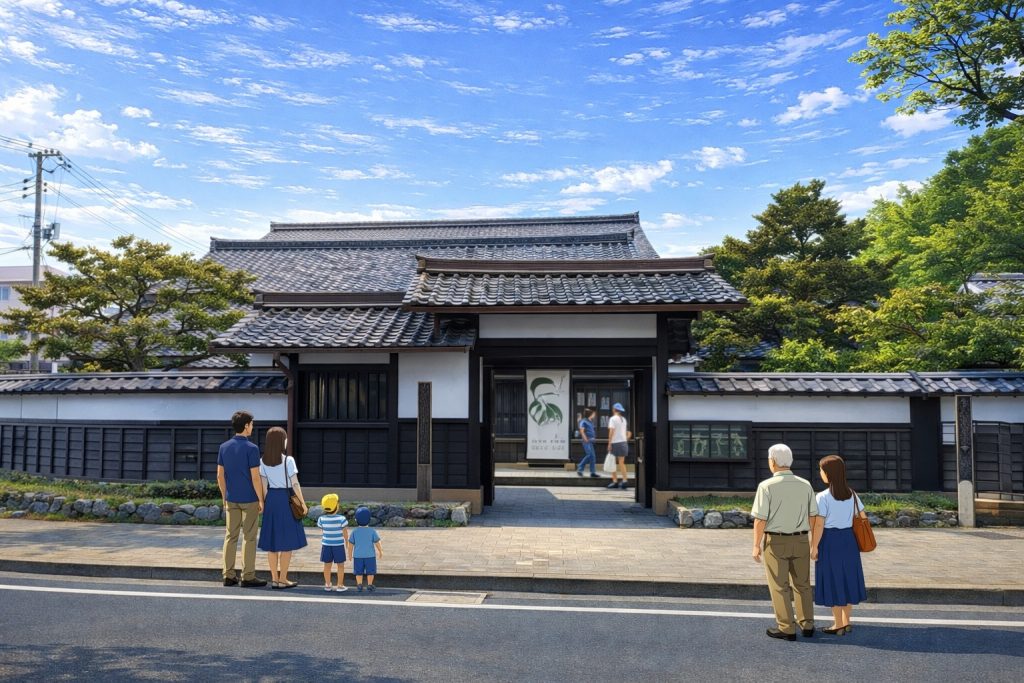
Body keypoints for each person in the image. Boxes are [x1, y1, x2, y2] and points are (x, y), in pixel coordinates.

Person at [751, 443, 819, 641]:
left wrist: (756, 545)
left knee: (779, 586)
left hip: (776, 541)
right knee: (803, 584)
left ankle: (786, 627)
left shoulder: (766, 486)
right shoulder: (805, 484)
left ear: (772, 462)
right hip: (801, 539)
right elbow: (813, 516)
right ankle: (807, 624)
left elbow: (760, 519)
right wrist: (814, 542)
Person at [810, 455, 868, 635]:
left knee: (833, 579)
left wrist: (814, 546)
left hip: (829, 540)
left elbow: (819, 524)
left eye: (821, 470)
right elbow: (863, 517)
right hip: (848, 539)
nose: (820, 473)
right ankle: (847, 621)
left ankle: (837, 624)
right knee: (847, 578)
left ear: (828, 473)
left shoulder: (823, 497)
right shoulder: (852, 494)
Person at [216, 410, 267, 588]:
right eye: (252, 424)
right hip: (250, 499)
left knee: (230, 536)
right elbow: (255, 477)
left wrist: (224, 497)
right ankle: (248, 576)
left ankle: (228, 575)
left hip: (231, 499)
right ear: (246, 426)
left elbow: (220, 476)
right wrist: (261, 499)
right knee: (249, 537)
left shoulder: (224, 447)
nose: (252, 427)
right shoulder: (252, 449)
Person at [257, 426, 308, 589]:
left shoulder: (262, 461)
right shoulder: (288, 460)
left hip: (271, 499)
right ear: (281, 441)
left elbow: (264, 484)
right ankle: (283, 579)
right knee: (286, 543)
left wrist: (264, 503)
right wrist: (303, 502)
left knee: (272, 544)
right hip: (286, 499)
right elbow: (295, 483)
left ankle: (274, 579)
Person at [317, 493, 350, 592]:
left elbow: (323, 532)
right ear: (337, 506)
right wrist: (347, 542)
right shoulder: (341, 519)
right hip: (338, 546)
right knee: (340, 565)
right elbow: (345, 533)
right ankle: (339, 585)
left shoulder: (321, 519)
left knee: (327, 565)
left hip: (326, 545)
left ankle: (327, 584)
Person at [348, 506, 383, 593]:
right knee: (370, 571)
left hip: (357, 556)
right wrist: (380, 551)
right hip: (370, 555)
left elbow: (350, 544)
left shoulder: (354, 532)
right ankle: (370, 585)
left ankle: (359, 584)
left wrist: (349, 554)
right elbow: (377, 542)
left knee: (358, 571)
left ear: (356, 520)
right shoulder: (372, 531)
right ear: (369, 519)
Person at [605, 402, 629, 490]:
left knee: (612, 462)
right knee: (622, 463)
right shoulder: (624, 419)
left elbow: (611, 432)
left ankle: (615, 481)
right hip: (623, 442)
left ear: (614, 409)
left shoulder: (613, 419)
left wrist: (609, 443)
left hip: (615, 443)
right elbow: (626, 432)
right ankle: (625, 481)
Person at [576, 407, 600, 478]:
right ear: (590, 414)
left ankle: (592, 472)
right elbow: (581, 430)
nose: (594, 415)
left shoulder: (590, 421)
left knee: (593, 457)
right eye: (593, 413)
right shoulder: (584, 421)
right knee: (589, 455)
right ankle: (580, 467)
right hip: (586, 440)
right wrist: (585, 438)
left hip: (591, 441)